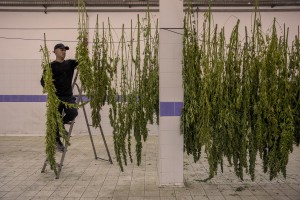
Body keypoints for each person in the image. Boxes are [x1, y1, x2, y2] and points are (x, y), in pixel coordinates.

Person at [40, 43, 78, 152]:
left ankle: (61, 125)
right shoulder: (50, 66)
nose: (64, 51)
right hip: (55, 98)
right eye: (61, 49)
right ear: (55, 51)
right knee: (54, 120)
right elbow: (42, 82)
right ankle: (57, 142)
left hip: (68, 96)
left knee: (73, 112)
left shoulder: (70, 63)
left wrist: (84, 46)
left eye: (65, 50)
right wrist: (47, 83)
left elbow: (82, 60)